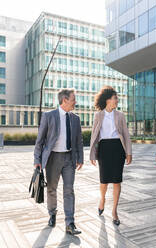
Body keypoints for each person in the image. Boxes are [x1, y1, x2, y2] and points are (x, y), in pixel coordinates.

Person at [34, 89, 83, 235]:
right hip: (53, 158)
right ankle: (52, 213)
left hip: (69, 158)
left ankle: (70, 223)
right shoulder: (49, 116)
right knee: (51, 188)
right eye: (73, 99)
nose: (75, 102)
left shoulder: (76, 118)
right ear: (65, 100)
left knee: (69, 190)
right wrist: (37, 160)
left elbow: (79, 141)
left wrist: (80, 158)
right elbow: (40, 140)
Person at [90, 86, 132, 226]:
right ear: (107, 100)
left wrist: (129, 152)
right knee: (104, 181)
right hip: (104, 149)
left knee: (116, 180)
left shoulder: (120, 115)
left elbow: (126, 134)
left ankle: (114, 211)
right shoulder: (98, 115)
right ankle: (102, 199)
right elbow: (94, 136)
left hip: (118, 148)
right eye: (115, 98)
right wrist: (92, 154)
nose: (117, 100)